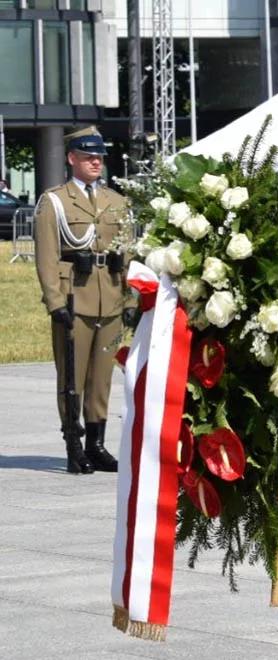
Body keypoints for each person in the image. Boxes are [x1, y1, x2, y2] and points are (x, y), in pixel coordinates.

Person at [33, 126, 134, 475]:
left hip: (111, 299)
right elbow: (46, 256)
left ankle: (97, 443)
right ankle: (73, 444)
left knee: (102, 378)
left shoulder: (117, 201)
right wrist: (54, 301)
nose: (96, 161)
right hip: (74, 297)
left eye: (100, 156)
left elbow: (128, 253)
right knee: (71, 378)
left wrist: (130, 298)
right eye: (88, 156)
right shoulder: (55, 202)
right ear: (71, 158)